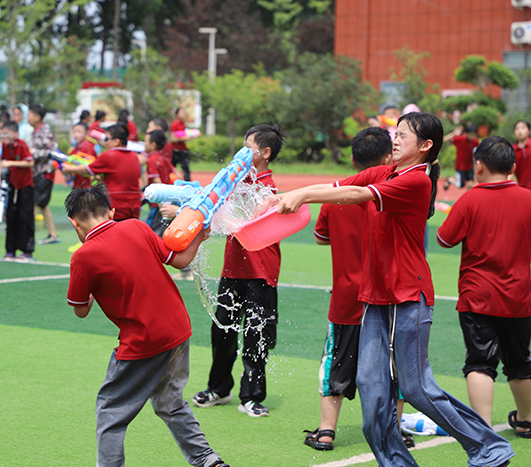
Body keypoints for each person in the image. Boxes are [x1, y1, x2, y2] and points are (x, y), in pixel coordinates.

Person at [276, 112, 514, 467]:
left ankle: (489, 447)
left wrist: (303, 194)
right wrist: (280, 198)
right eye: (395, 133)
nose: (395, 139)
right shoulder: (383, 172)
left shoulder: (417, 182)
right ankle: (397, 463)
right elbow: (341, 188)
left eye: (403, 134)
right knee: (371, 390)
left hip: (409, 296)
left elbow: (356, 195)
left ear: (426, 146)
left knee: (417, 388)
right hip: (375, 298)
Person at [65, 184, 230, 467]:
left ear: (74, 222)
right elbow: (178, 260)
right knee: (170, 401)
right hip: (178, 328)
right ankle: (207, 459)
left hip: (143, 339)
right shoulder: (135, 226)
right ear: (112, 211)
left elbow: (80, 310)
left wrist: (91, 288)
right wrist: (200, 236)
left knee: (110, 410)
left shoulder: (83, 255)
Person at [306, 127, 398, 451]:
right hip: (388, 298)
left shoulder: (337, 196)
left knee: (335, 365)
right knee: (391, 367)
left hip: (347, 297)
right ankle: (393, 431)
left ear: (352, 158)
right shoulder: (394, 194)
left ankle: (326, 431)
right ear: (389, 157)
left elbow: (321, 236)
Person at [436, 136, 531, 438]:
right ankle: (526, 421)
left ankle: (483, 428)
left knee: (480, 362)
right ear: (513, 167)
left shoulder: (470, 199)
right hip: (520, 295)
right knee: (519, 360)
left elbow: (445, 239)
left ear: (477, 166)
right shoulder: (528, 198)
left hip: (478, 296)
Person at [192, 124, 284, 418]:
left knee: (256, 335)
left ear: (265, 153)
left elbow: (249, 221)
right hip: (233, 269)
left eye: (249, 148)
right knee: (222, 330)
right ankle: (219, 387)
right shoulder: (233, 181)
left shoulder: (269, 190)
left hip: (261, 272)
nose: (242, 153)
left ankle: (253, 396)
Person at [60, 124, 141, 221]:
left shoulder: (109, 155)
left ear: (116, 141)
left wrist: (70, 169)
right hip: (134, 206)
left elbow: (88, 169)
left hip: (117, 207)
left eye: (106, 139)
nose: (104, 142)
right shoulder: (134, 156)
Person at [1, 120, 35, 261]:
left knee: (25, 217)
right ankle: (10, 250)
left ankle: (27, 251)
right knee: (11, 217)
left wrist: (12, 163)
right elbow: (2, 161)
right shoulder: (4, 145)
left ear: (15, 134)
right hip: (12, 185)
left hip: (25, 186)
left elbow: (30, 162)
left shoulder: (21, 144)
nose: (4, 136)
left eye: (7, 133)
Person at [27, 104, 60, 245]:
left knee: (34, 203)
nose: (27, 118)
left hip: (44, 172)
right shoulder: (35, 131)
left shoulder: (45, 131)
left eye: (29, 115)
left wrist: (32, 153)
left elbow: (51, 152)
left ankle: (26, 236)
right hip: (38, 172)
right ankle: (53, 234)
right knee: (42, 205)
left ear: (37, 117)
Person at [144, 129, 176, 236]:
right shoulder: (164, 158)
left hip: (159, 202)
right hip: (168, 198)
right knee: (163, 229)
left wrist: (162, 202)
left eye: (145, 142)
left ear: (153, 145)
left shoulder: (152, 160)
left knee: (150, 231)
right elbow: (177, 174)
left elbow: (157, 182)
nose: (144, 144)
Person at [443, 123, 478, 190]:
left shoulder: (475, 141)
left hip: (469, 165)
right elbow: (445, 139)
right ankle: (449, 179)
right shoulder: (460, 139)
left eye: (474, 134)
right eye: (470, 134)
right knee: (460, 185)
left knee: (470, 183)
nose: (472, 136)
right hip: (460, 166)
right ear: (466, 133)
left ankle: (467, 199)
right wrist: (454, 133)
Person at [68, 122, 97, 189]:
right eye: (74, 132)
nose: (76, 135)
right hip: (78, 183)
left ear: (87, 133)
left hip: (87, 184)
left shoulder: (88, 146)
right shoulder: (75, 148)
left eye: (79, 132)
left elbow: (90, 164)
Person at [170, 107, 191, 181]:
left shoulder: (184, 124)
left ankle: (189, 185)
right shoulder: (174, 124)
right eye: (182, 112)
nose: (184, 114)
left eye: (184, 113)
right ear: (177, 114)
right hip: (175, 151)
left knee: (186, 169)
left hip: (183, 150)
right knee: (171, 168)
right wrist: (184, 138)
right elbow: (173, 139)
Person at [513, 120, 531, 189]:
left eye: (523, 128)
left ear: (529, 131)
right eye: (517, 129)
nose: (520, 131)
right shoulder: (512, 150)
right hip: (522, 189)